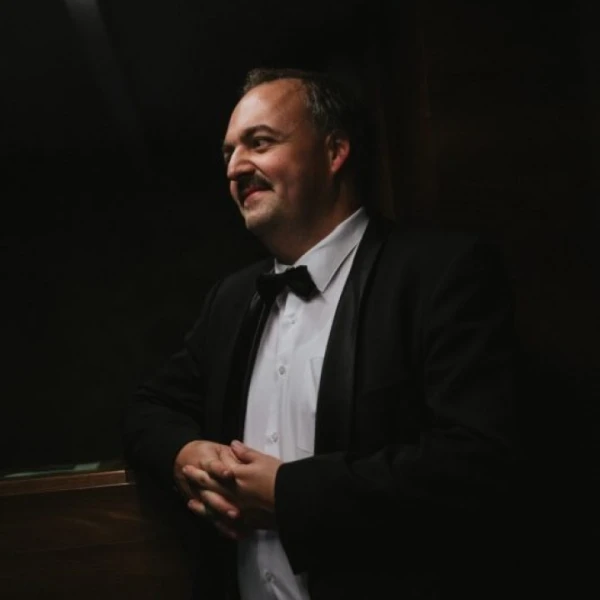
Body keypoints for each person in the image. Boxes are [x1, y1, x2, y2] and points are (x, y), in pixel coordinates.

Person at [124, 68, 519, 600]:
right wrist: (184, 453)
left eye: (259, 143)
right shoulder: (231, 299)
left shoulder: (441, 273)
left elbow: (477, 463)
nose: (236, 167)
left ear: (334, 152)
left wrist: (289, 495)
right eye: (229, 153)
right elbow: (146, 408)